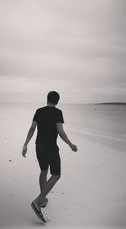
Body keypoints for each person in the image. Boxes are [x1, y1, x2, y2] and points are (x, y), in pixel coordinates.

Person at [22, 91, 78, 222]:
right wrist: (70, 144)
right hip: (51, 147)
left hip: (39, 146)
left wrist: (25, 144)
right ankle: (38, 201)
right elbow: (60, 131)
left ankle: (42, 200)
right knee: (56, 174)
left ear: (47, 99)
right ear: (57, 101)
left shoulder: (39, 111)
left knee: (43, 170)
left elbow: (32, 129)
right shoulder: (58, 113)